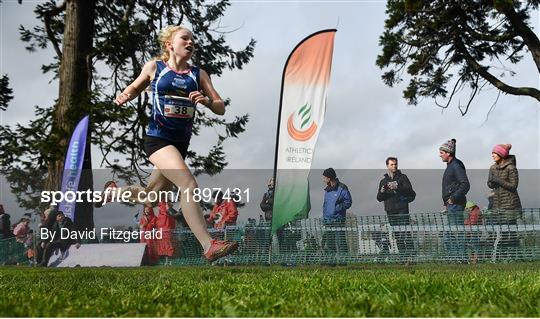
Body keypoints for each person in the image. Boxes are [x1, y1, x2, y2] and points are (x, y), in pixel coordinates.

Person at [101, 25, 237, 262]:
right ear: (169, 44)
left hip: (179, 145)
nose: (190, 42)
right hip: (158, 140)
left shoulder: (199, 74)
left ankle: (115, 192)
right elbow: (135, 86)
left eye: (193, 39)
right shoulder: (156, 67)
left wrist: (205, 101)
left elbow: (220, 107)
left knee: (150, 197)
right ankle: (208, 245)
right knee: (188, 184)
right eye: (184, 38)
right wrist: (124, 95)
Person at [376, 157, 416, 260]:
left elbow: (411, 192)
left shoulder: (403, 178)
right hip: (390, 211)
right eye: (392, 165)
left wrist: (397, 187)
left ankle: (411, 257)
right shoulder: (383, 181)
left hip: (402, 209)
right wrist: (382, 191)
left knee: (405, 233)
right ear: (387, 166)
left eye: (395, 164)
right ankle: (403, 257)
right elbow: (379, 198)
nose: (394, 166)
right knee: (398, 235)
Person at [488, 144, 522, 259]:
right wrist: (491, 182)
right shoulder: (492, 168)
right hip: (497, 204)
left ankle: (514, 256)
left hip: (510, 204)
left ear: (501, 154)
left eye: (494, 153)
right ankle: (502, 257)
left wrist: (498, 180)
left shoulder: (511, 168)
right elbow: (490, 184)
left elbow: (514, 186)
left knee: (510, 232)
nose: (492, 155)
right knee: (499, 232)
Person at [439, 139, 470, 262]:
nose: (439, 155)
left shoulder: (455, 166)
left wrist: (452, 198)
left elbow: (465, 184)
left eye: (441, 152)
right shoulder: (451, 166)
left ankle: (460, 258)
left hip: (456, 204)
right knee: (451, 233)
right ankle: (457, 258)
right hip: (452, 205)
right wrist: (447, 202)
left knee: (455, 233)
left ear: (448, 153)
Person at [321, 168, 352, 255]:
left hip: (338, 220)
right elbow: (325, 205)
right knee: (330, 244)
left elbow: (348, 202)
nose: (323, 180)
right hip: (328, 221)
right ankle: (332, 263)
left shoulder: (342, 188)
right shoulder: (327, 190)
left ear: (329, 178)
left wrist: (336, 208)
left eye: (324, 177)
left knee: (341, 242)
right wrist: (324, 218)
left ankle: (343, 263)